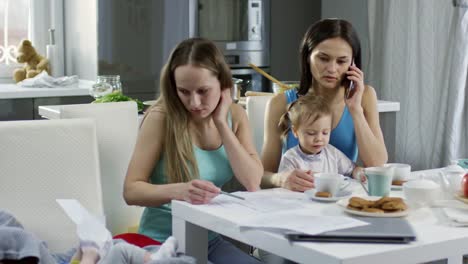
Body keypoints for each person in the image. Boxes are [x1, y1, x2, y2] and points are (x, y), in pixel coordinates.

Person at [123, 37, 263, 264]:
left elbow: (252, 181)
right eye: (184, 91)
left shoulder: (235, 115)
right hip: (161, 241)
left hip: (210, 239)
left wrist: (220, 122)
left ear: (223, 84)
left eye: (203, 91)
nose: (194, 102)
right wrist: (180, 191)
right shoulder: (161, 118)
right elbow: (131, 191)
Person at [261, 18, 387, 192]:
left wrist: (355, 110)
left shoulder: (365, 97)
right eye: (323, 58)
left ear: (353, 64)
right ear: (307, 57)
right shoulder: (280, 103)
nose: (332, 69)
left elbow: (377, 165)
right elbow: (263, 176)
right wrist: (280, 179)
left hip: (343, 200)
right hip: (297, 202)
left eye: (341, 61)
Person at [277, 94, 365, 181]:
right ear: (295, 131)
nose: (319, 139)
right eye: (311, 133)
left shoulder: (333, 154)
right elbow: (284, 188)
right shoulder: (290, 159)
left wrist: (360, 174)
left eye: (325, 133)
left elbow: (353, 169)